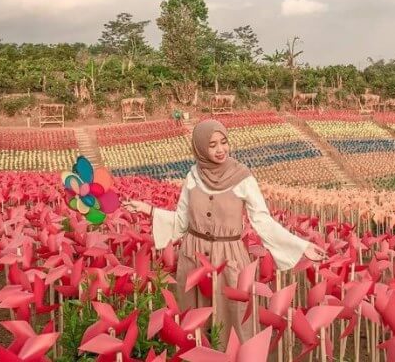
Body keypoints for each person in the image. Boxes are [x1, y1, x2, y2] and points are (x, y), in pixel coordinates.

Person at [125, 119, 326, 343]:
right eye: (212, 145)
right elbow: (181, 222)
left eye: (224, 142)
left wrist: (302, 245)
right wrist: (149, 210)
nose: (220, 149)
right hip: (193, 257)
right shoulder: (193, 177)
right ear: (200, 148)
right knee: (193, 326)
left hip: (228, 258)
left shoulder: (242, 178)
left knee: (234, 322)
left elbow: (262, 221)